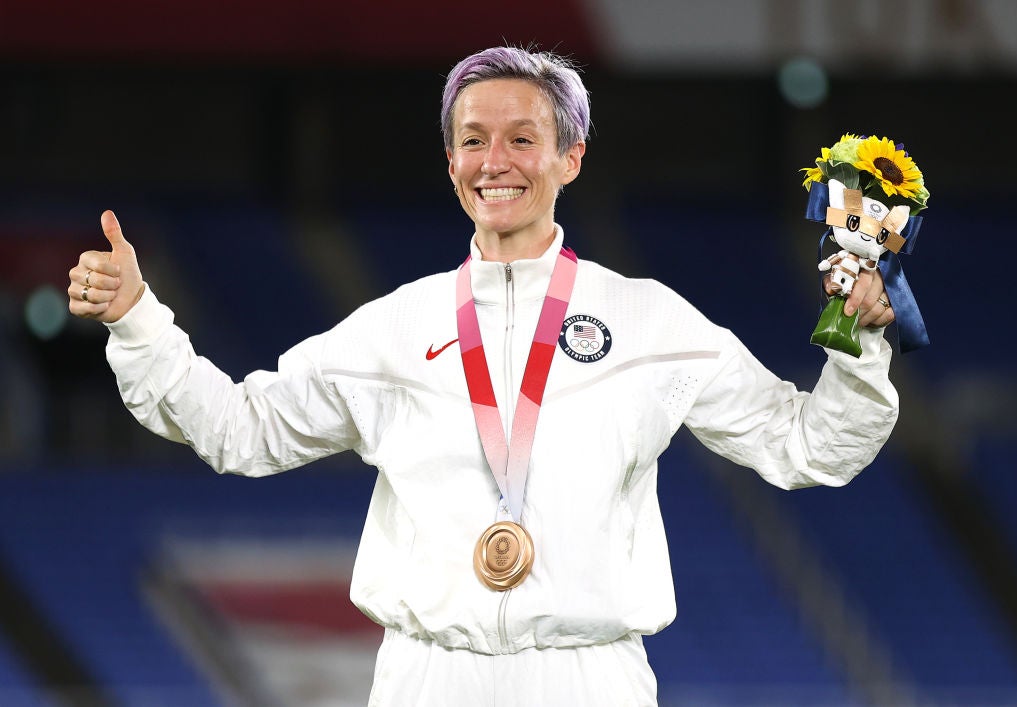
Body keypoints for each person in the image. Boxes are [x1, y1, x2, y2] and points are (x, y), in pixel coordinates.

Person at [67, 46, 898, 706]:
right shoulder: (394, 328)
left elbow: (807, 446)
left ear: (570, 157)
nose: (493, 160)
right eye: (473, 139)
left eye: (522, 139)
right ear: (451, 157)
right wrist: (139, 318)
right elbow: (236, 429)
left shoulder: (649, 322)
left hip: (588, 679)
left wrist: (858, 347)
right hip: (427, 679)